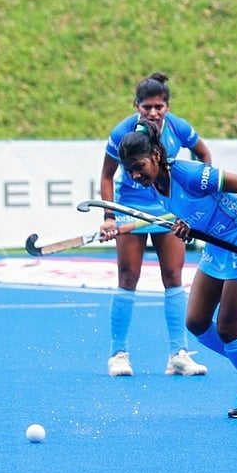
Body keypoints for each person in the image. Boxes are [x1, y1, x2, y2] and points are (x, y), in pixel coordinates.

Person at [114, 120, 237, 419]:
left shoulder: (189, 174)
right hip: (217, 248)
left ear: (156, 155)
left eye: (139, 166)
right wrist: (188, 226)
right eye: (129, 170)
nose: (135, 175)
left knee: (229, 329)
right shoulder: (154, 185)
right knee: (197, 323)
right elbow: (193, 210)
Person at [99, 72, 211, 377]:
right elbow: (107, 175)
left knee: (174, 276)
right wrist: (110, 216)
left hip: (169, 207)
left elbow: (202, 153)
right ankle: (118, 355)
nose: (152, 112)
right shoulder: (122, 132)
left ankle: (178, 354)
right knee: (128, 277)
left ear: (167, 106)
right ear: (136, 105)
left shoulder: (178, 127)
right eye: (146, 106)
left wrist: (195, 196)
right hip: (131, 208)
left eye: (159, 106)